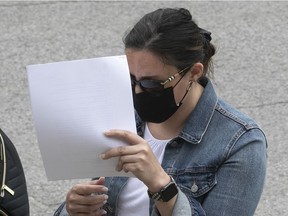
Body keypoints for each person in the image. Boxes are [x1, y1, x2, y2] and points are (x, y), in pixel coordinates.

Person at [54, 7, 267, 216]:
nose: (138, 92)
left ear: (193, 72)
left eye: (151, 84)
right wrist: (72, 209)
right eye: (130, 79)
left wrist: (161, 185)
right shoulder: (122, 113)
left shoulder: (241, 143)